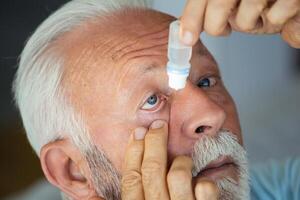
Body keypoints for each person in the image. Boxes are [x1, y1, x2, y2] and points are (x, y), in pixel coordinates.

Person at [12, 0, 299, 200]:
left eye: (206, 81)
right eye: (151, 100)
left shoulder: (279, 187)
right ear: (73, 171)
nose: (212, 114)